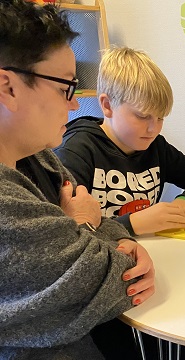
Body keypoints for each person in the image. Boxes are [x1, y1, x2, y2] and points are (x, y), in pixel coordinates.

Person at [0, 0, 155, 359]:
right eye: (65, 88)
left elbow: (107, 226)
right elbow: (113, 278)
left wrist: (93, 228)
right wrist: (84, 222)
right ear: (8, 87)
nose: (73, 105)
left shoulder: (37, 157)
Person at [54, 46, 185, 236]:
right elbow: (65, 235)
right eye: (142, 116)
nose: (154, 129)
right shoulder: (76, 152)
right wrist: (132, 224)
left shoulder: (155, 146)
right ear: (107, 105)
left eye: (160, 118)